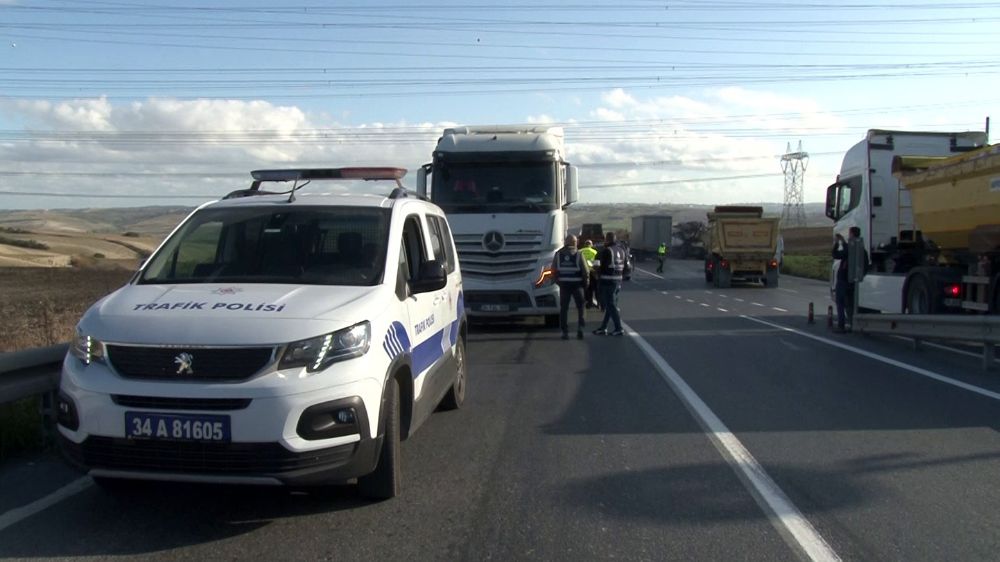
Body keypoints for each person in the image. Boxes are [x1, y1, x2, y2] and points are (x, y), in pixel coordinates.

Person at [552, 234, 589, 339]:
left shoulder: (558, 254)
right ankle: (580, 329)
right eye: (576, 241)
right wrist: (586, 284)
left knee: (564, 309)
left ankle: (565, 331)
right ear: (574, 242)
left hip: (564, 285)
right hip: (577, 285)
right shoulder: (578, 254)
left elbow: (553, 270)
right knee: (581, 307)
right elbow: (585, 271)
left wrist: (557, 282)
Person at [831, 226, 867, 333]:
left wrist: (838, 243)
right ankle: (852, 324)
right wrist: (861, 276)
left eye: (849, 233)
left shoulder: (849, 249)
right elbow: (865, 264)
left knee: (841, 303)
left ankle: (841, 326)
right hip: (853, 281)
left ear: (851, 234)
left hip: (843, 280)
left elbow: (835, 254)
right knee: (851, 304)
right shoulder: (861, 249)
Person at [593, 231, 627, 336]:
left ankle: (619, 328)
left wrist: (596, 274)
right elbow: (626, 266)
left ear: (606, 239)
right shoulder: (622, 251)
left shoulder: (604, 251)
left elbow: (596, 265)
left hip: (607, 281)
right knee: (610, 305)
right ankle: (604, 327)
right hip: (618, 280)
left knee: (610, 305)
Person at [579, 239, 599, 308]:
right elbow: (597, 262)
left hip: (583, 272)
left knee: (587, 287)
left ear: (585, 244)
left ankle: (588, 301)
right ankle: (599, 302)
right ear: (591, 245)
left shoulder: (580, 251)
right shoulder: (595, 252)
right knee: (595, 288)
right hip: (592, 271)